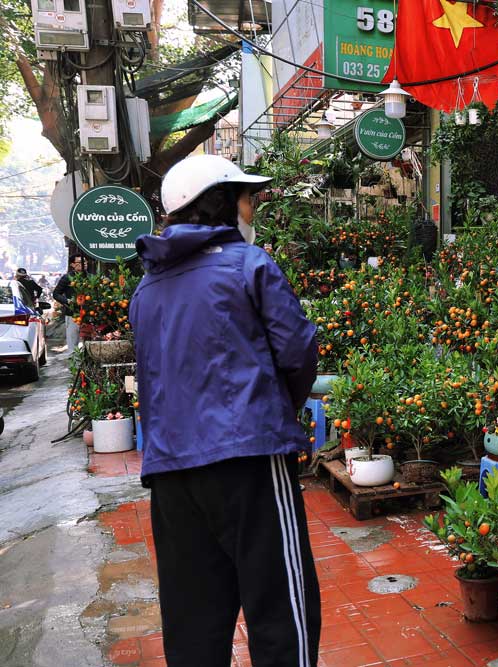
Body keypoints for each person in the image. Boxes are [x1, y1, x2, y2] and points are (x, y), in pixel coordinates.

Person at [129, 154, 320, 667]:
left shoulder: (146, 289)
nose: (252, 209)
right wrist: (276, 412)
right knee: (282, 610)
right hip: (249, 462)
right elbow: (298, 352)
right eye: (247, 199)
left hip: (171, 473)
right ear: (221, 205)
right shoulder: (249, 266)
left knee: (193, 622)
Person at [52, 256, 85, 352]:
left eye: (84, 261)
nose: (83, 264)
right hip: (72, 314)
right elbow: (56, 294)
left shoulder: (90, 277)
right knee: (73, 344)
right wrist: (67, 301)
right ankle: (74, 365)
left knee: (88, 343)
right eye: (79, 262)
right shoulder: (67, 278)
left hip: (88, 314)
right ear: (72, 264)